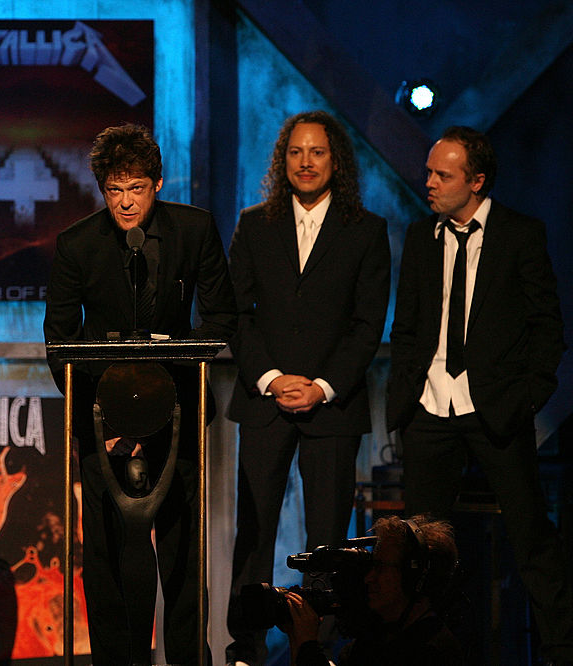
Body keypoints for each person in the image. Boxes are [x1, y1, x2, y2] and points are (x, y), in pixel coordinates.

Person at [43, 123, 236, 664]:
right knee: (104, 557)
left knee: (182, 552)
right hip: (104, 425)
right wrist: (103, 420)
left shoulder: (194, 231)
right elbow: (60, 340)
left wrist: (169, 390)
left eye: (136, 188)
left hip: (176, 414)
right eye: (114, 190)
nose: (125, 203)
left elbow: (220, 320)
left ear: (157, 184)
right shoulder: (77, 244)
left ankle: (186, 657)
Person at [386, 126, 573, 664]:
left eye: (442, 175)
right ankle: (421, 650)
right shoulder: (423, 236)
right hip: (430, 408)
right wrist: (406, 391)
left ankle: (561, 648)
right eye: (428, 173)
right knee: (422, 545)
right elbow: (409, 325)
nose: (429, 183)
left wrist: (528, 397)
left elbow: (547, 325)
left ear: (477, 181)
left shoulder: (519, 234)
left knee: (532, 536)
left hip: (494, 407)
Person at [225, 110, 391, 666]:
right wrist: (272, 379)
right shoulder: (254, 224)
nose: (305, 161)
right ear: (282, 160)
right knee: (254, 534)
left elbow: (368, 325)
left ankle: (319, 646)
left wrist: (321, 386)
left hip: (332, 408)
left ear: (335, 160)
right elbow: (235, 314)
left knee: (328, 544)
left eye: (316, 151)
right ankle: (244, 646)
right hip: (265, 401)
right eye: (295, 151)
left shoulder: (366, 230)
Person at [281, 515, 463, 666]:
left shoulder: (431, 653)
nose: (369, 578)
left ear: (413, 577)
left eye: (381, 567)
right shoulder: (378, 638)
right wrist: (297, 638)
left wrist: (308, 645)